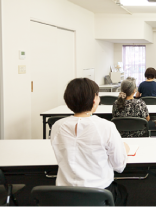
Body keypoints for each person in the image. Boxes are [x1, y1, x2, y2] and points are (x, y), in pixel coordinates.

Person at [51, 78, 129, 207]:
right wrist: (123, 149)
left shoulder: (57, 126)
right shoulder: (106, 126)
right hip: (99, 195)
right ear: (94, 99)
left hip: (64, 196)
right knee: (122, 192)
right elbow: (119, 166)